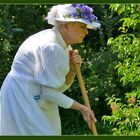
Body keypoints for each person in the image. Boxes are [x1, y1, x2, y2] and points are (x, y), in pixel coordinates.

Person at [0, 4, 100, 135]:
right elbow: (48, 93)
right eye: (82, 26)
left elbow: (57, 89)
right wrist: (82, 108)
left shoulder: (63, 45)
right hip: (22, 96)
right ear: (66, 26)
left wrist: (72, 70)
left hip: (36, 96)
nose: (86, 31)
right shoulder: (51, 47)